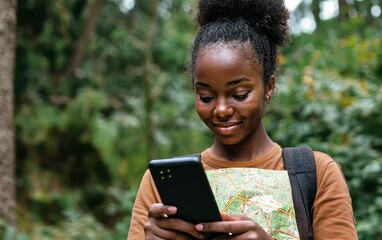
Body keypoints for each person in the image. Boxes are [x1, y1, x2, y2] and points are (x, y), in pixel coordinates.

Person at [128, 0, 358, 239]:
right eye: (206, 97)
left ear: (268, 86)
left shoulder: (317, 173)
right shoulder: (161, 183)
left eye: (239, 95)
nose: (222, 109)